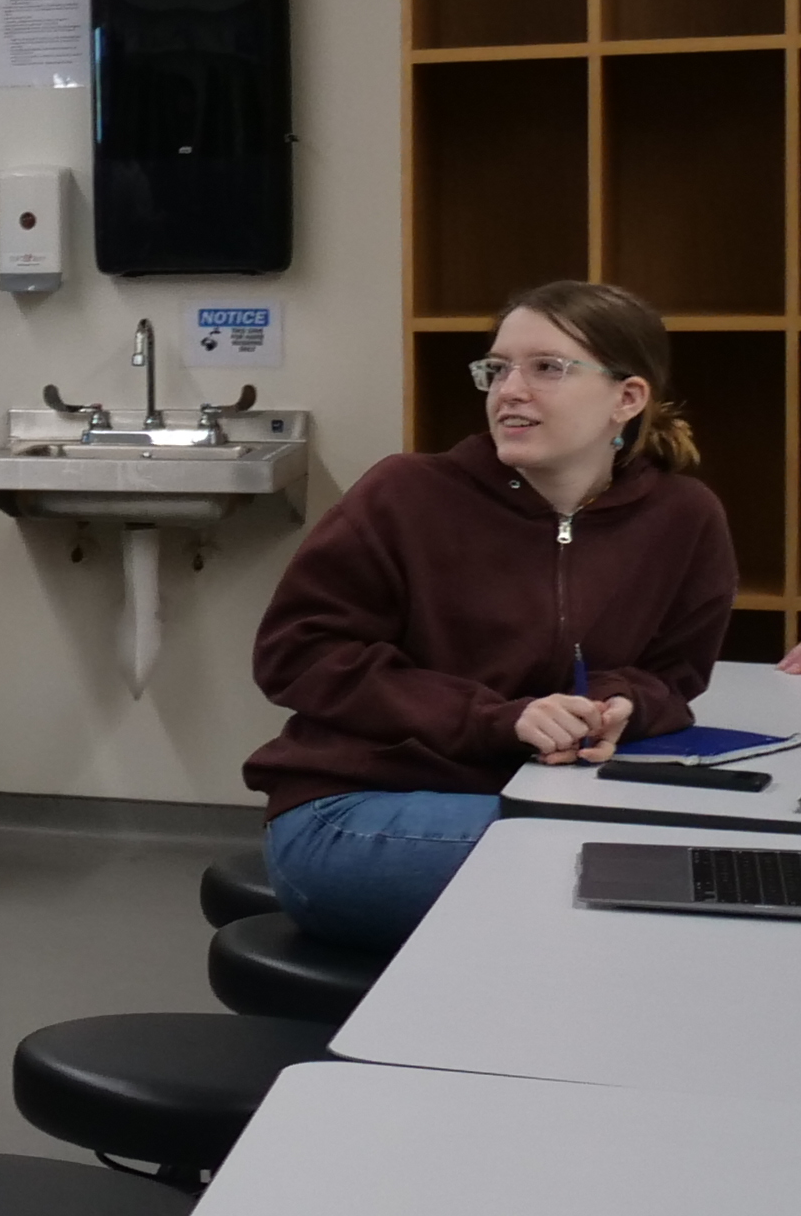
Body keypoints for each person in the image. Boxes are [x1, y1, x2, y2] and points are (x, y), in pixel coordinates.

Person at [247, 279, 737, 950]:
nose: (510, 390)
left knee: (702, 867)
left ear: (627, 398)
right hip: (353, 806)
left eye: (547, 368)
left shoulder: (686, 518)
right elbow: (297, 653)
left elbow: (674, 673)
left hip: (546, 794)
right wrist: (495, 720)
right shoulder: (406, 494)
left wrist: (619, 704)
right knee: (629, 873)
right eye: (498, 368)